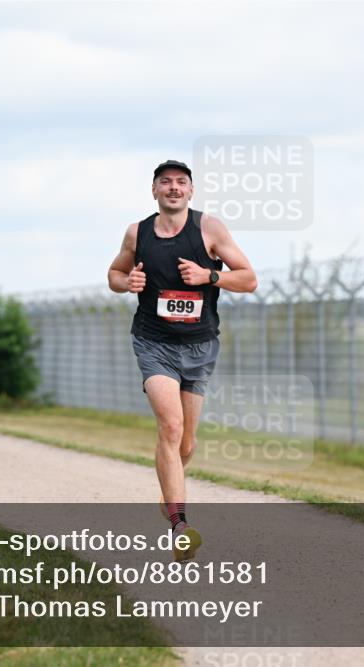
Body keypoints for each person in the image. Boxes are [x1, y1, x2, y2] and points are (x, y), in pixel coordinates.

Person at [107, 159, 257, 561]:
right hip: (153, 342)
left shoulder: (209, 228)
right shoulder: (137, 232)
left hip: (199, 344)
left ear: (191, 191)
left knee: (186, 442)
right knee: (170, 426)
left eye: (181, 183)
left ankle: (169, 495)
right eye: (165, 183)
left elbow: (249, 278)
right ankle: (180, 525)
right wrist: (128, 283)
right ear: (153, 190)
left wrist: (210, 277)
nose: (173, 188)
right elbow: (114, 274)